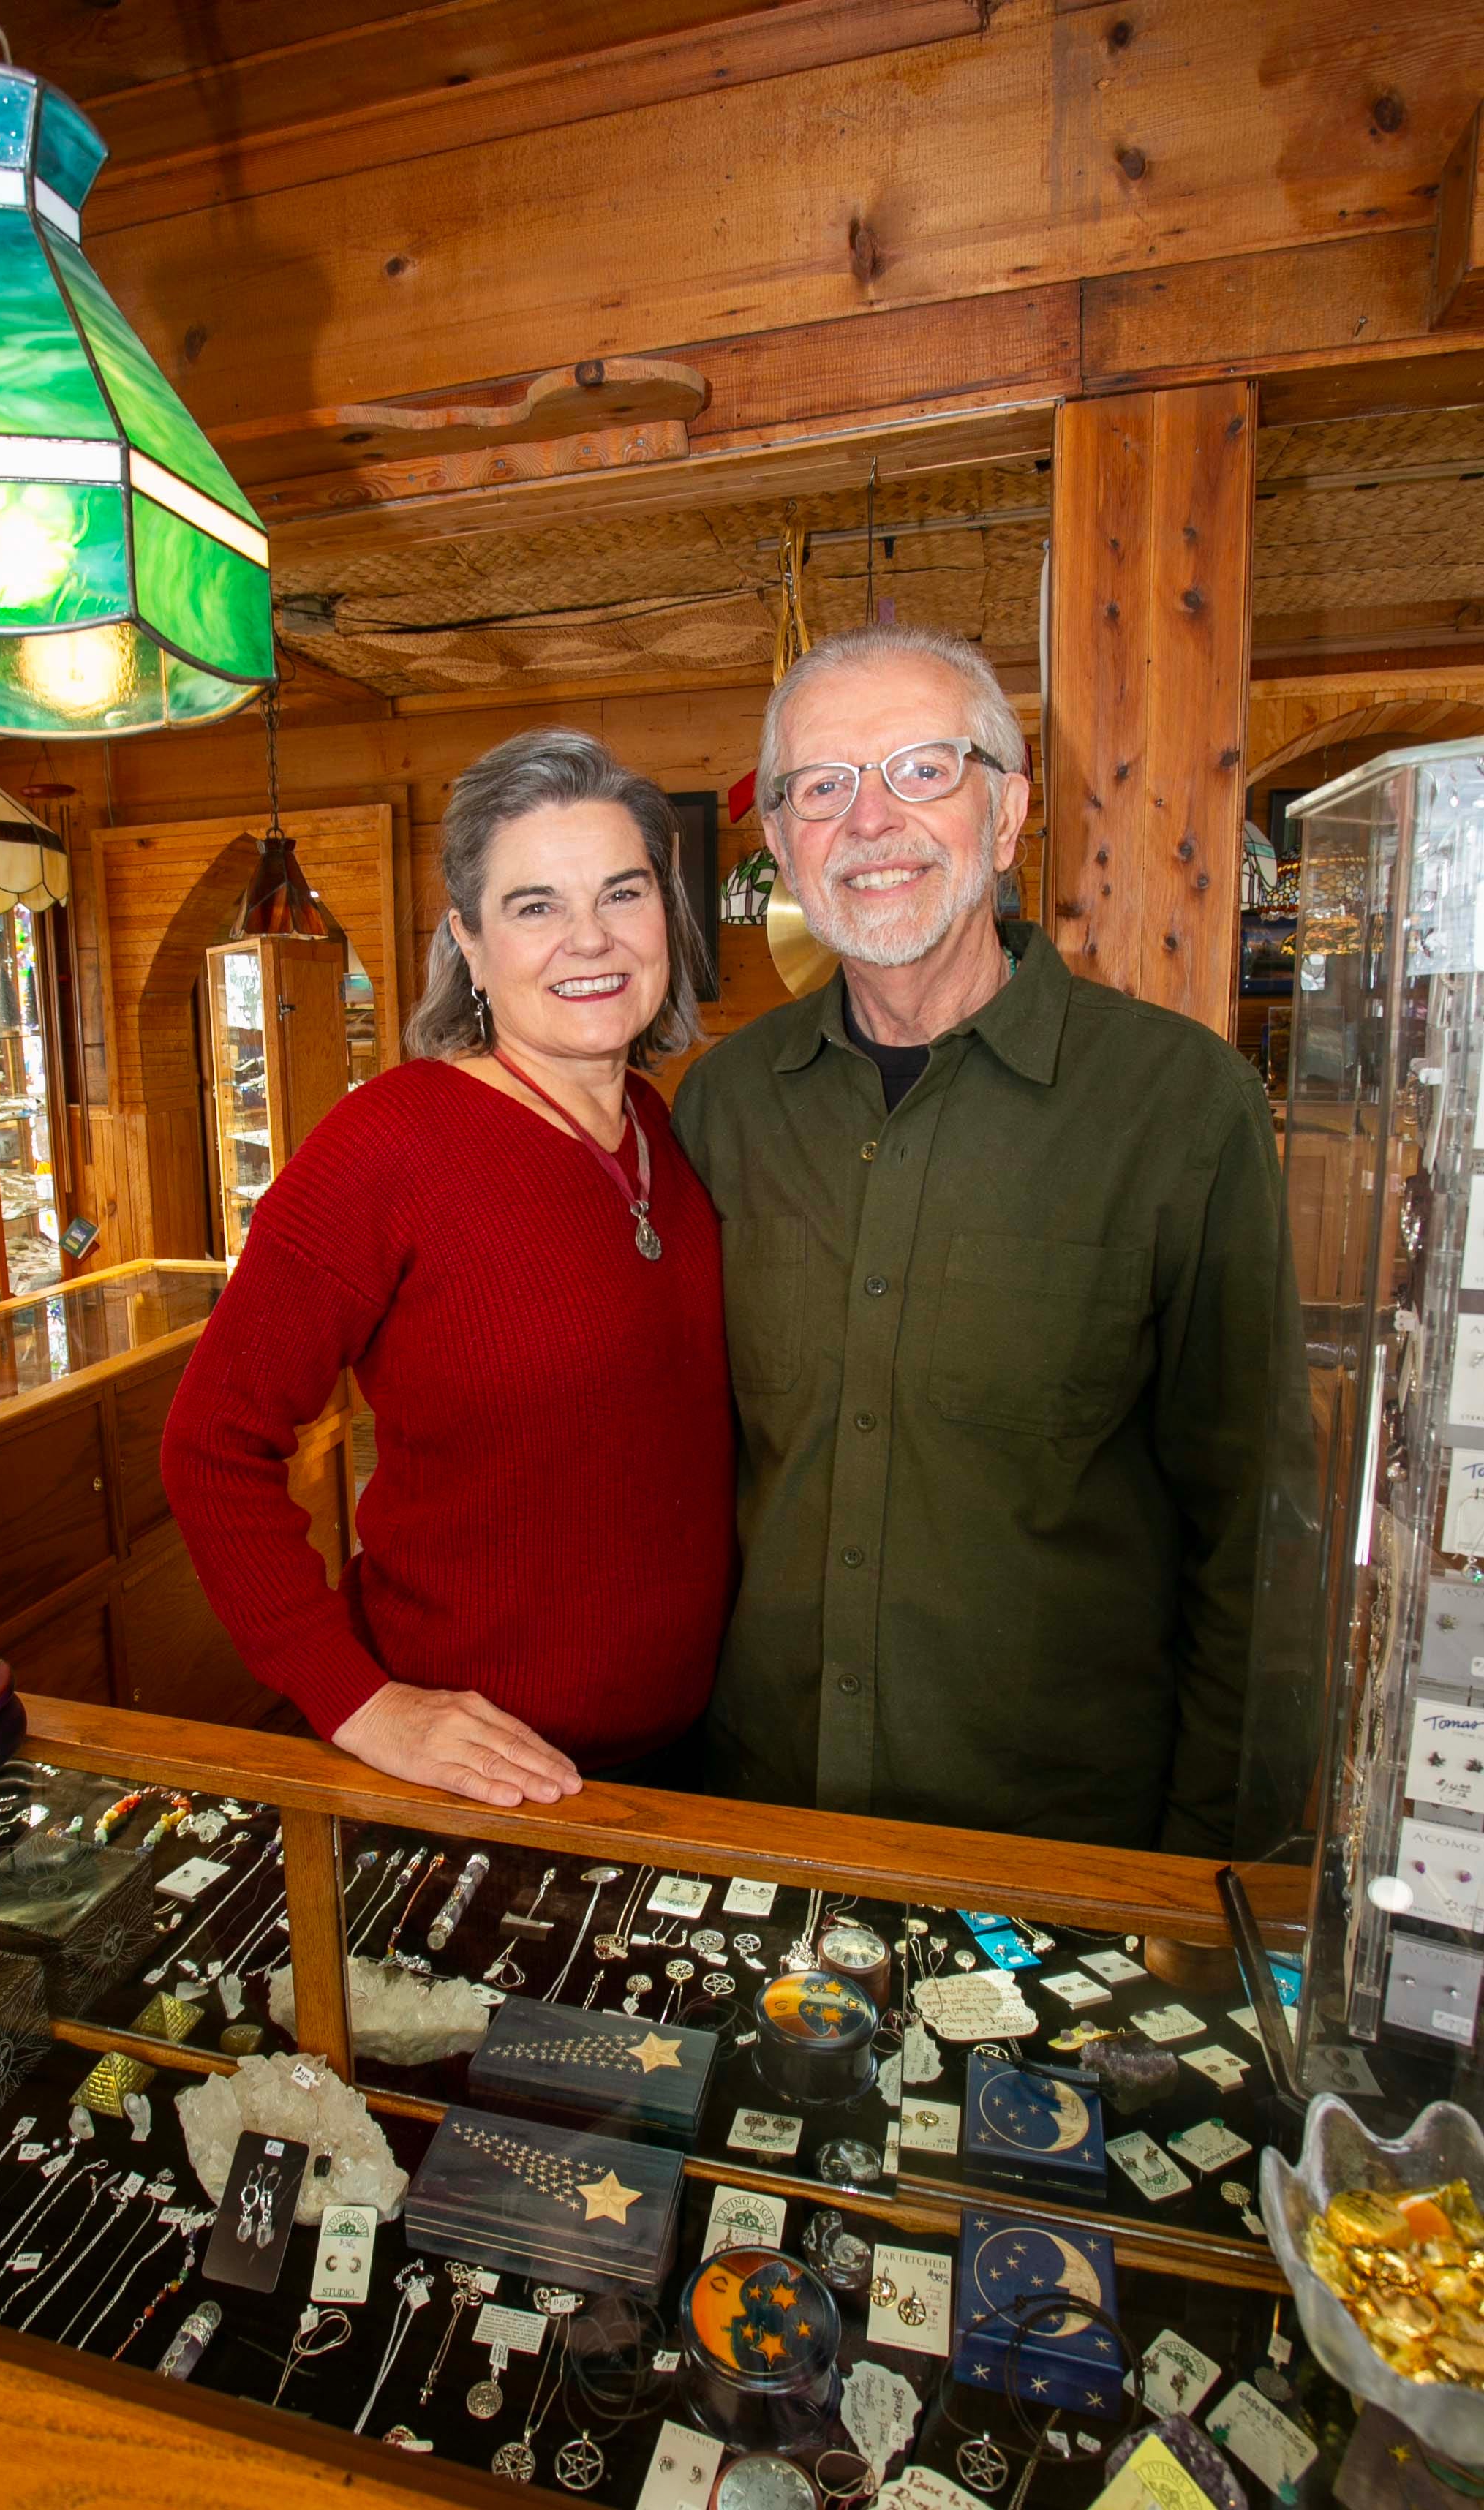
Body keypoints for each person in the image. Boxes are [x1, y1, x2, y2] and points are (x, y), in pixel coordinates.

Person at [671, 623, 1281, 1853]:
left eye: (921, 770)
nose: (869, 822)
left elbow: (1253, 1528)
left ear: (1004, 817)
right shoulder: (720, 1106)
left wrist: (1213, 1864)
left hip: (1059, 1834)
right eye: (822, 788)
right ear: (783, 842)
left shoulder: (1178, 1102)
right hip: (756, 1804)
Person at [163, 728, 736, 1809]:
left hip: (689, 1761)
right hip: (473, 1783)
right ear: (468, 944)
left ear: (666, 916)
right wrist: (355, 1701)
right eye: (534, 907)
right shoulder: (388, 1144)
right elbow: (211, 1446)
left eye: (623, 893)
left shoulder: (666, 1131)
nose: (589, 939)